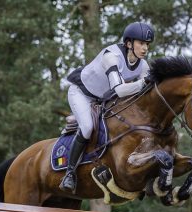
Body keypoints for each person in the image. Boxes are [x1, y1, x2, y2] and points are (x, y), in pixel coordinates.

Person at [59, 21, 154, 193]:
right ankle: (70, 173)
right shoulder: (112, 57)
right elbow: (119, 89)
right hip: (81, 93)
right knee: (87, 127)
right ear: (129, 43)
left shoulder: (143, 65)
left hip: (103, 99)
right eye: (141, 43)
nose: (145, 48)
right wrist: (144, 83)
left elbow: (144, 92)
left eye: (147, 44)